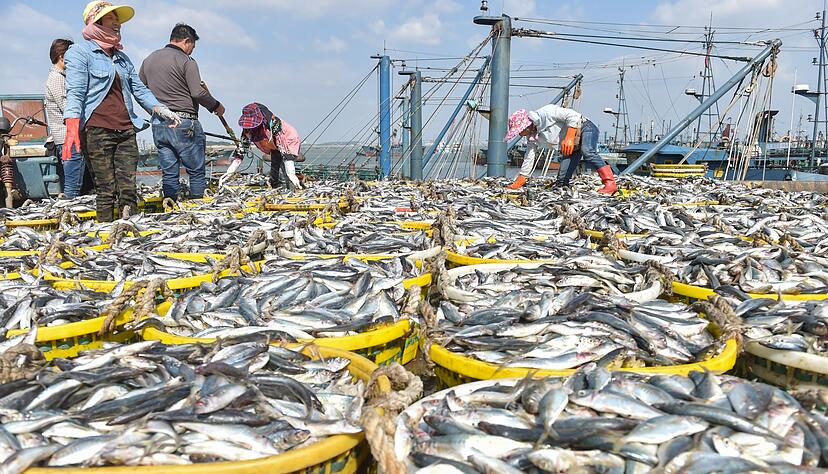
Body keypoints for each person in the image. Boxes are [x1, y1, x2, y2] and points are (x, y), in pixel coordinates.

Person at [63, 1, 180, 222]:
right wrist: (72, 125)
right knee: (106, 189)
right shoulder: (80, 52)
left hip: (126, 130)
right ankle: (106, 233)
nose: (117, 24)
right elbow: (76, 92)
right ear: (95, 22)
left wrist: (160, 109)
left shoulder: (122, 58)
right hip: (97, 131)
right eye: (111, 19)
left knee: (128, 188)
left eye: (118, 20)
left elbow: (139, 89)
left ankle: (129, 234)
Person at [139, 23, 224, 201]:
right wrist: (216, 106)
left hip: (159, 124)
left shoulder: (149, 60)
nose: (192, 50)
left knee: (169, 172)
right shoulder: (187, 61)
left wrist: (154, 111)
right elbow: (197, 92)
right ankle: (197, 206)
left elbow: (141, 91)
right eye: (193, 45)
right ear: (187, 41)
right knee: (196, 171)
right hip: (184, 122)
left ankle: (170, 206)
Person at [503, 105, 617, 194]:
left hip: (584, 128)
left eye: (519, 130)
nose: (520, 133)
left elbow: (573, 116)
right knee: (561, 182)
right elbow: (529, 157)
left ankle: (610, 184)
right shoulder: (532, 137)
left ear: (526, 125)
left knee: (588, 152)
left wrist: (569, 137)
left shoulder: (546, 113)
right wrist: (522, 177)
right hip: (571, 146)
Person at [45, 38, 86, 198]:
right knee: (73, 187)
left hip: (67, 138)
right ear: (62, 56)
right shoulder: (57, 78)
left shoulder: (60, 77)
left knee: (75, 185)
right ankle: (69, 215)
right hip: (68, 139)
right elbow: (68, 109)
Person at [237, 103, 303, 190]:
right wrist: (229, 172)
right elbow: (241, 151)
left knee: (286, 168)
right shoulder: (248, 130)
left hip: (288, 141)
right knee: (275, 165)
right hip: (273, 146)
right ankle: (275, 184)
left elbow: (287, 153)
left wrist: (292, 174)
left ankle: (291, 188)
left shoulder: (275, 125)